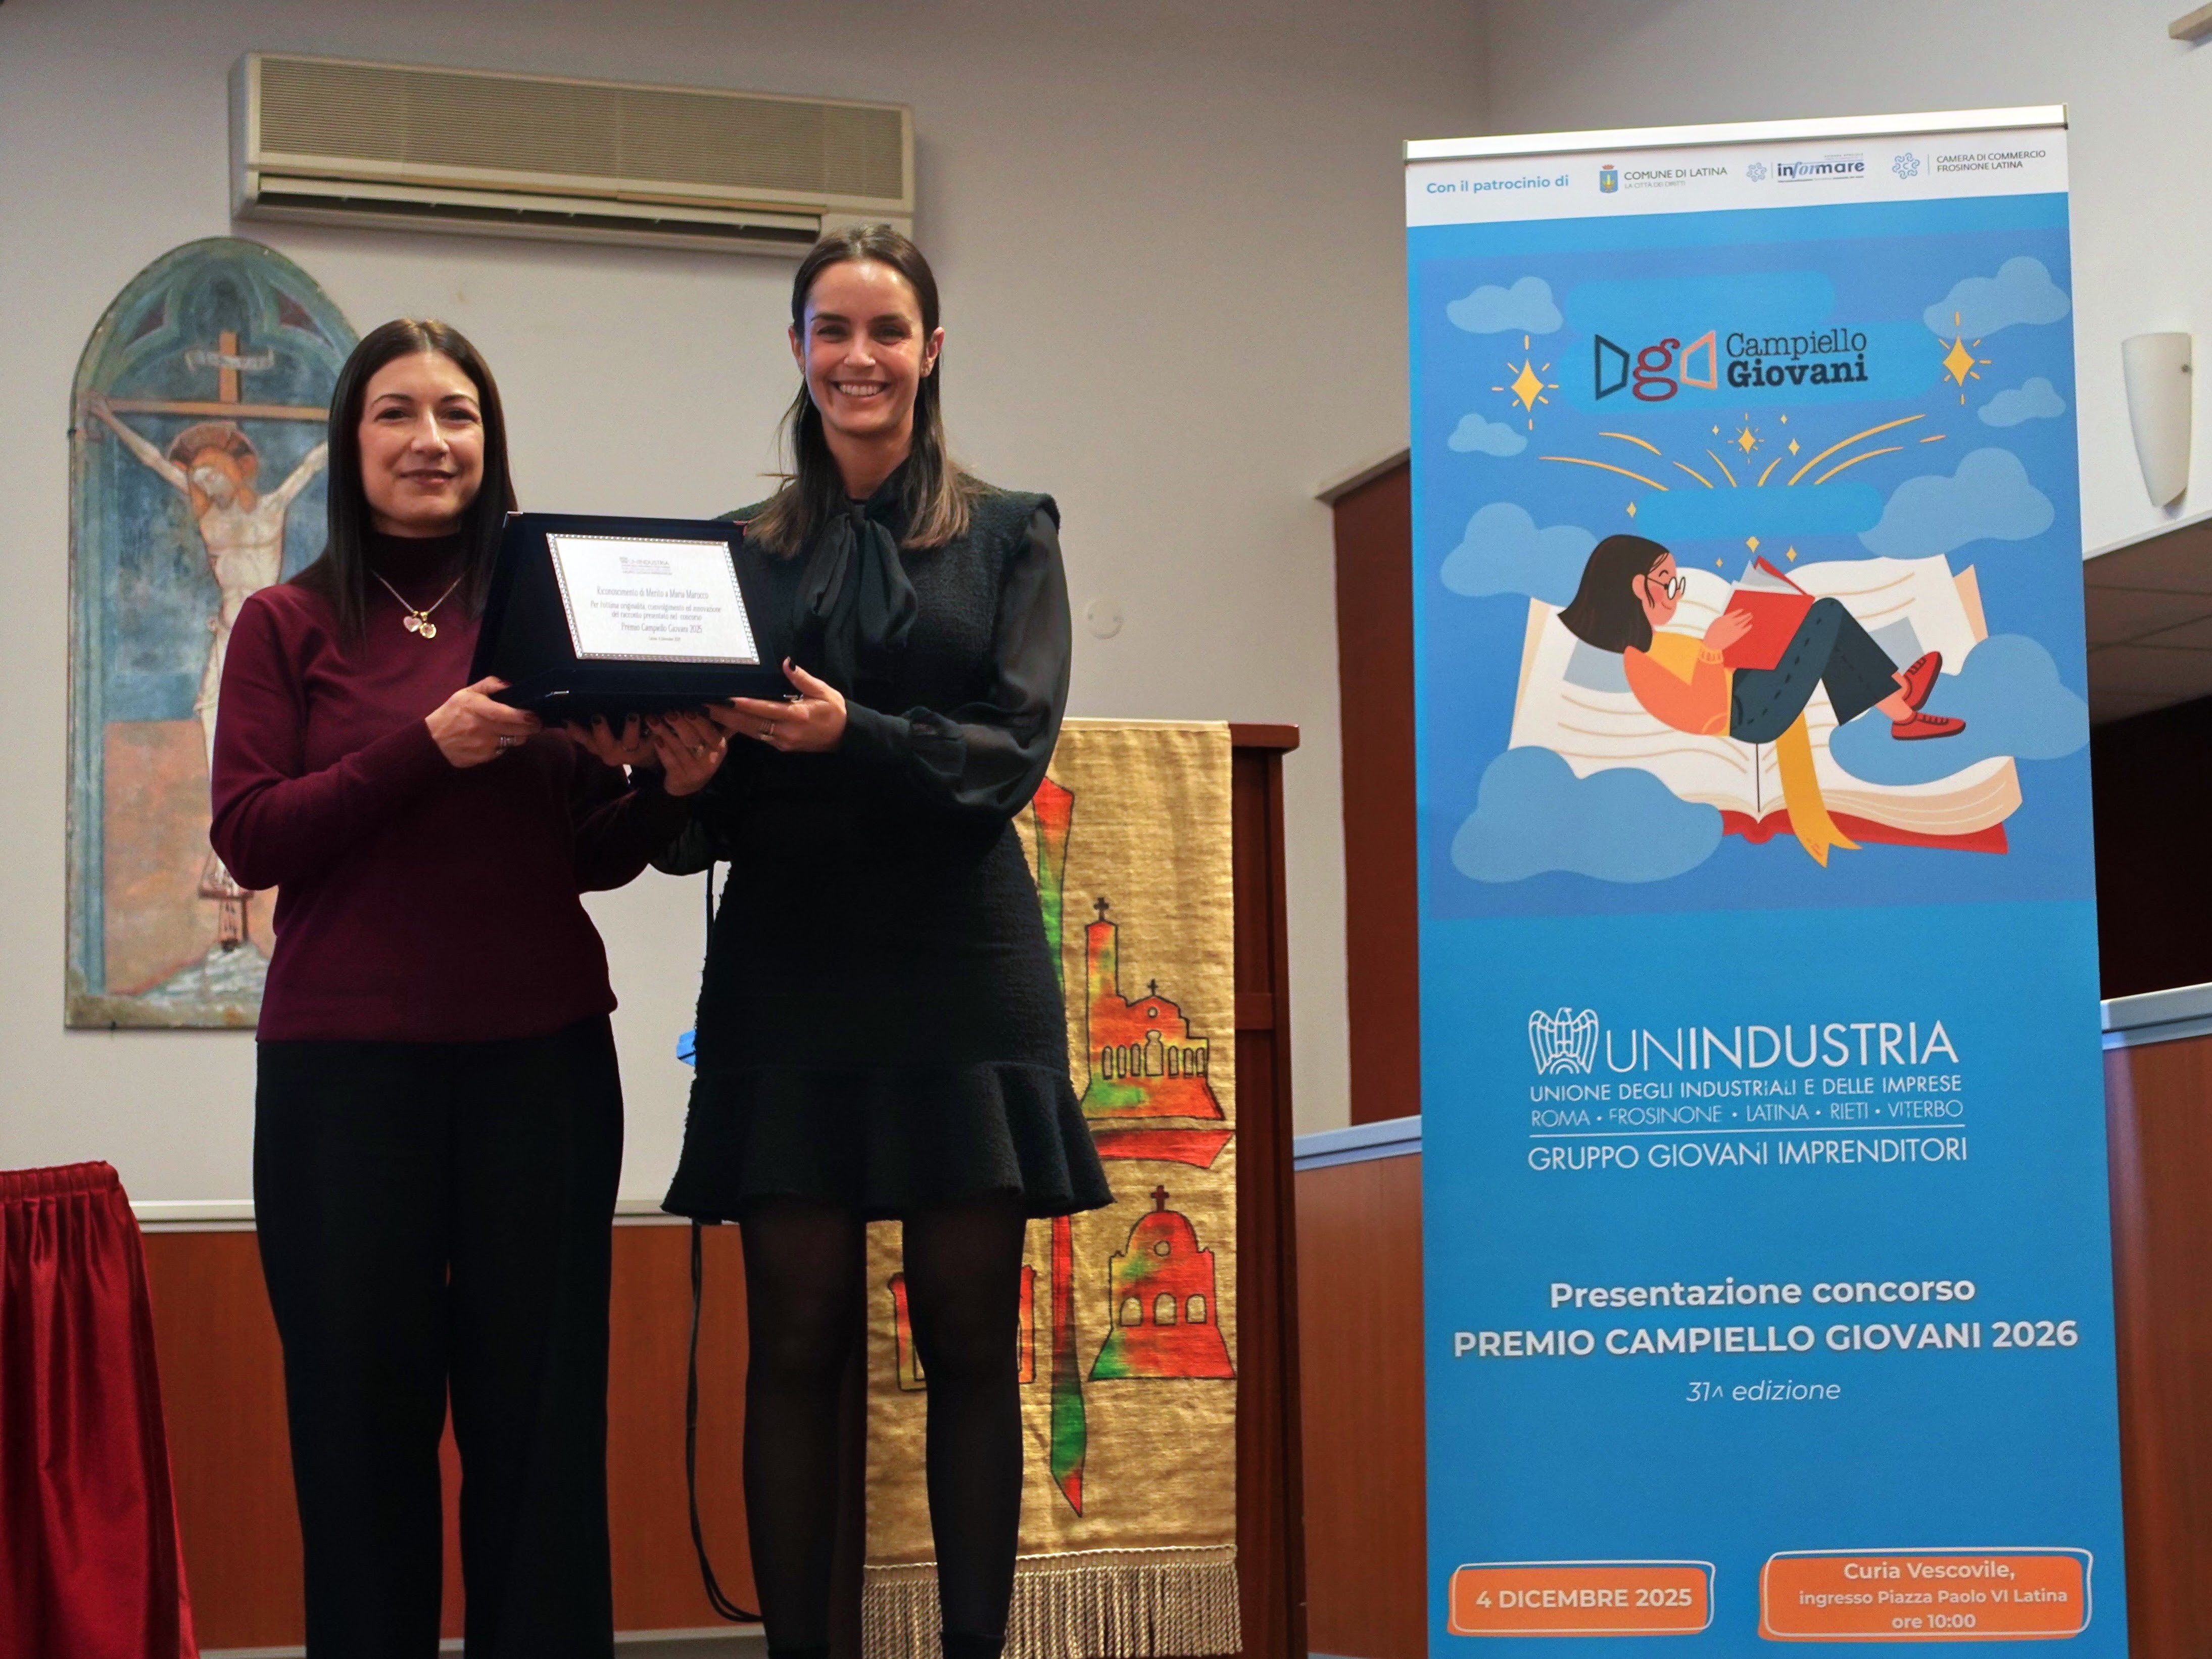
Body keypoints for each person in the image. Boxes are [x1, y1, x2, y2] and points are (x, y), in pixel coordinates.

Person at [209, 318, 728, 1659]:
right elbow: (252, 834)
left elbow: (585, 853)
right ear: (351, 442)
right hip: (342, 1081)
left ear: (491, 444)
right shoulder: (285, 623)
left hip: (539, 1066)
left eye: (457, 415)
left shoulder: (555, 625)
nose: (429, 440)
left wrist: (669, 792)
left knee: (541, 1431)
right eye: (397, 412)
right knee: (357, 1431)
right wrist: (427, 747)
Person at [657, 226, 1112, 1659]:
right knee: (792, 1343)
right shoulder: (730, 556)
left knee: (969, 1342)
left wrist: (850, 732)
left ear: (931, 350)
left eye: (887, 330)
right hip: (788, 967)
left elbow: (1010, 755)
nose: (859, 357)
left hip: (960, 970)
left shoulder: (1010, 532)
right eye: (832, 330)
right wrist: (679, 781)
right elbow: (700, 818)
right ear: (797, 349)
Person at [1557, 534, 1963, 861]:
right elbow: (1702, 715)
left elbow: (1716, 671)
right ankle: (1902, 708)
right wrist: (1712, 649)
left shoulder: (1659, 644)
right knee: (1827, 615)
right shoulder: (1640, 665)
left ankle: (1900, 698)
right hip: (1748, 715)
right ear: (1638, 587)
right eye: (1669, 582)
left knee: (1815, 620)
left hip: (1746, 693)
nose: (1676, 595)